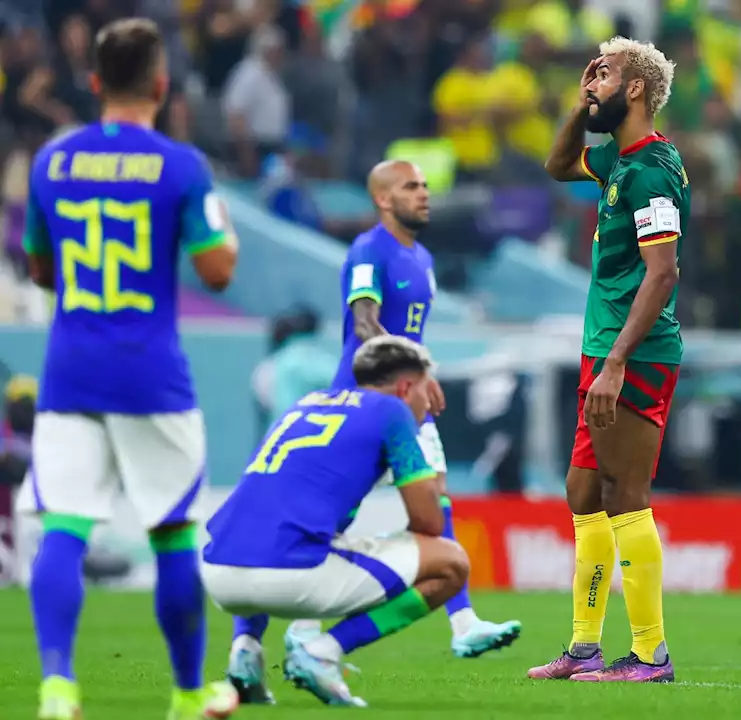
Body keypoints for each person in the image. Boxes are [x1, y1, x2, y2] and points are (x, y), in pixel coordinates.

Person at [223, 159, 520, 706]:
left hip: (404, 403)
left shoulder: (422, 257)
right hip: (366, 403)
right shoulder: (368, 250)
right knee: (315, 523)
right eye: (411, 187)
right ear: (384, 200)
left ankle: (462, 621)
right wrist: (410, 369)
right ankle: (259, 642)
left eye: (426, 185)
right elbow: (364, 321)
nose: (425, 194)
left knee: (437, 497)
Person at [17, 18, 240, 720]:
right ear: (162, 83)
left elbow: (41, 268)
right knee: (172, 530)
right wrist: (223, 228)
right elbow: (217, 270)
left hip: (69, 372)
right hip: (151, 374)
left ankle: (57, 686)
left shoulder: (51, 162)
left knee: (65, 526)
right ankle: (183, 694)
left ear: (93, 83)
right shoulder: (180, 165)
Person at [531, 36, 684, 683]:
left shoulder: (650, 170)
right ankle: (584, 646)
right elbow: (558, 163)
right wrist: (581, 103)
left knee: (626, 493)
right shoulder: (617, 164)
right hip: (605, 350)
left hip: (636, 353)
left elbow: (663, 272)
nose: (595, 82)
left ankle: (651, 653)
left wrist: (618, 360)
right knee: (583, 491)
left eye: (607, 74)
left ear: (638, 90)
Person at [202, 336, 468, 708]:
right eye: (428, 390)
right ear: (407, 387)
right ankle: (323, 652)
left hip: (218, 572)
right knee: (452, 562)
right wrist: (422, 465)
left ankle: (245, 651)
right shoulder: (393, 412)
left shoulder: (305, 403)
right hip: (289, 575)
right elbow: (429, 522)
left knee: (276, 530)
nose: (430, 402)